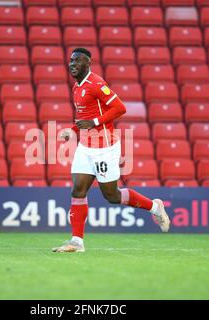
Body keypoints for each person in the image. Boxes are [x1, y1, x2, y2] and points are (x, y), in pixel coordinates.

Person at [52, 48, 170, 253]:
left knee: (112, 196)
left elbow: (120, 108)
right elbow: (84, 118)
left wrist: (95, 122)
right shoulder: (76, 87)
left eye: (78, 61)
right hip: (85, 147)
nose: (72, 64)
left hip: (105, 148)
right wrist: (71, 130)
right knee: (78, 191)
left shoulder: (96, 84)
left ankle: (154, 207)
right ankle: (76, 242)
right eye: (71, 60)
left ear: (88, 64)